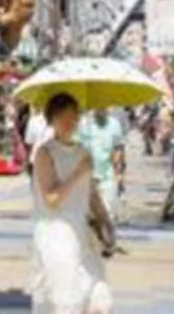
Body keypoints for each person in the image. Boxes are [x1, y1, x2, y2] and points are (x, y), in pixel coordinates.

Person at [29, 94, 114, 314]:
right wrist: (78, 172)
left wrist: (105, 220)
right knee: (65, 304)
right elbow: (52, 199)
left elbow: (91, 193)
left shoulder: (83, 152)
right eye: (62, 116)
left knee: (99, 303)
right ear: (51, 119)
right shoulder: (44, 153)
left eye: (73, 116)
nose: (69, 122)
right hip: (56, 238)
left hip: (83, 235)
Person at [76, 108, 127, 225]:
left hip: (107, 175)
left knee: (107, 212)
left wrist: (119, 172)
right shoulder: (83, 124)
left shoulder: (114, 125)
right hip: (87, 176)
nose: (101, 109)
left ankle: (104, 239)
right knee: (88, 214)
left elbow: (118, 148)